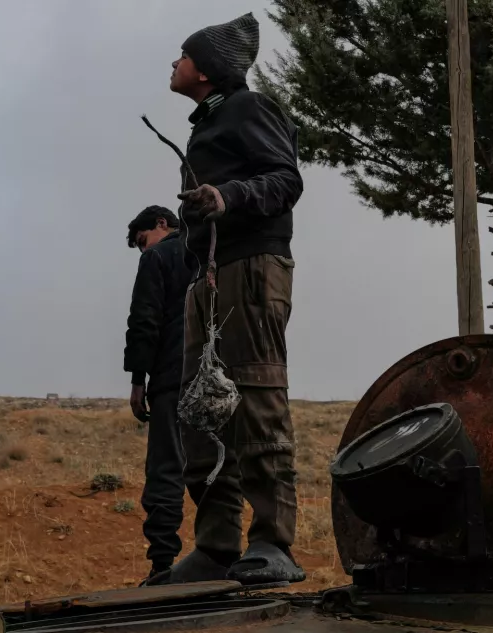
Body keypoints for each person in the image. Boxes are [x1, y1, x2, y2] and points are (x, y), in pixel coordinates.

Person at [165, 11, 305, 585]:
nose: (173, 64)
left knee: (257, 398)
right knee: (202, 410)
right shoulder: (209, 123)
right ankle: (217, 547)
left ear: (206, 71)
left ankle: (274, 543)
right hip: (210, 276)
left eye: (182, 55)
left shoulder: (249, 108)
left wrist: (226, 197)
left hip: (251, 270)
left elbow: (286, 179)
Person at [123, 205, 191, 584]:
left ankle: (162, 565)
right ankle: (223, 554)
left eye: (142, 240)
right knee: (217, 469)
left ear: (161, 224)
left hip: (173, 378)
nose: (142, 250)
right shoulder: (211, 249)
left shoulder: (157, 258)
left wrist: (138, 380)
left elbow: (144, 319)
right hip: (221, 380)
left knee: (166, 470)